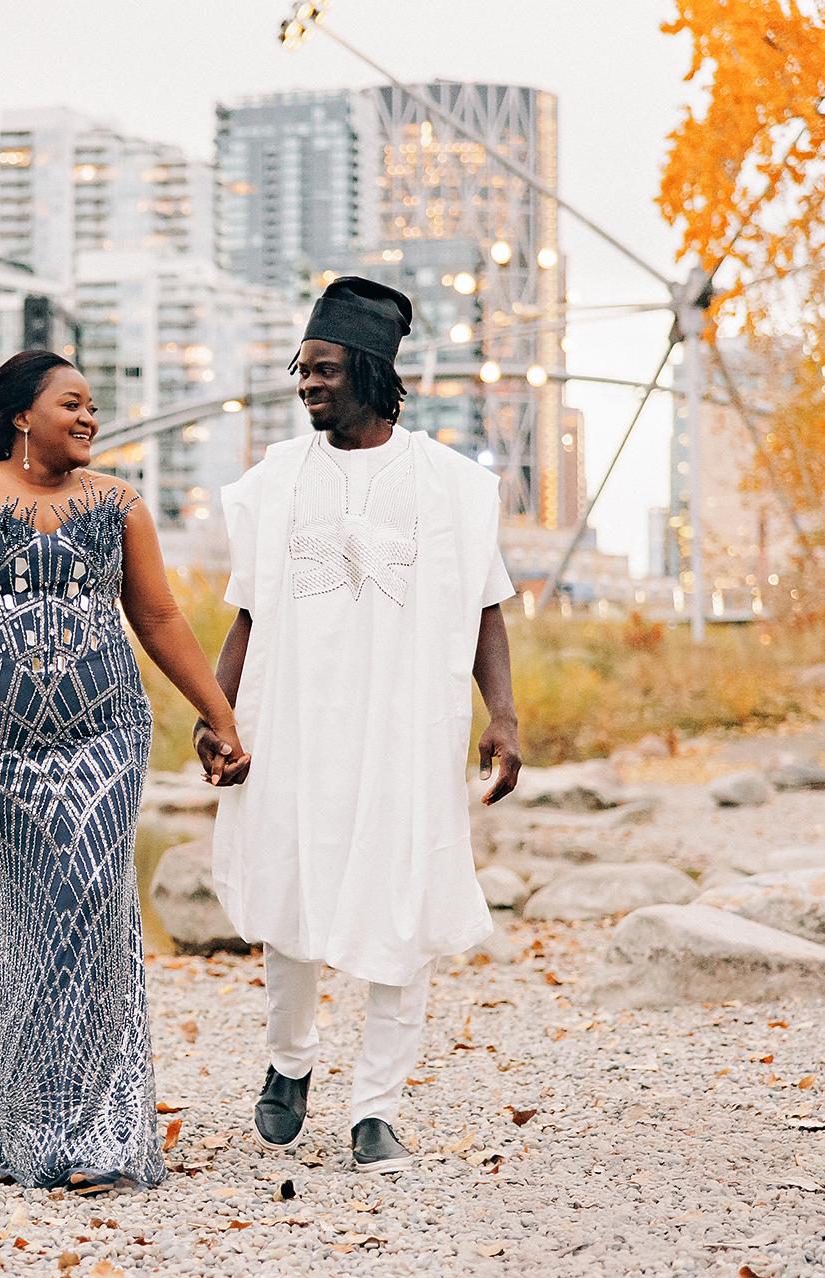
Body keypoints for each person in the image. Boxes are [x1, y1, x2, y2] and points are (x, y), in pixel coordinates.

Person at [0, 349, 248, 1190]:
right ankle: (20, 1113)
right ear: (18, 413)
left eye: (94, 406)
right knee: (15, 908)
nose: (89, 418)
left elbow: (159, 616)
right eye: (72, 403)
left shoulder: (119, 504)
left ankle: (95, 1128)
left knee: (88, 904)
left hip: (105, 734)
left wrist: (218, 714)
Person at [196, 276, 523, 1174]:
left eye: (325, 368)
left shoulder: (450, 486)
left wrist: (503, 715)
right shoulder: (274, 481)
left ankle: (376, 1107)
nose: (307, 383)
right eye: (301, 368)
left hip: (404, 731)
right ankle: (289, 1061)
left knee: (402, 904)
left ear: (372, 372)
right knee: (287, 890)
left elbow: (486, 606)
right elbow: (247, 612)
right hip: (296, 723)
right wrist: (218, 717)